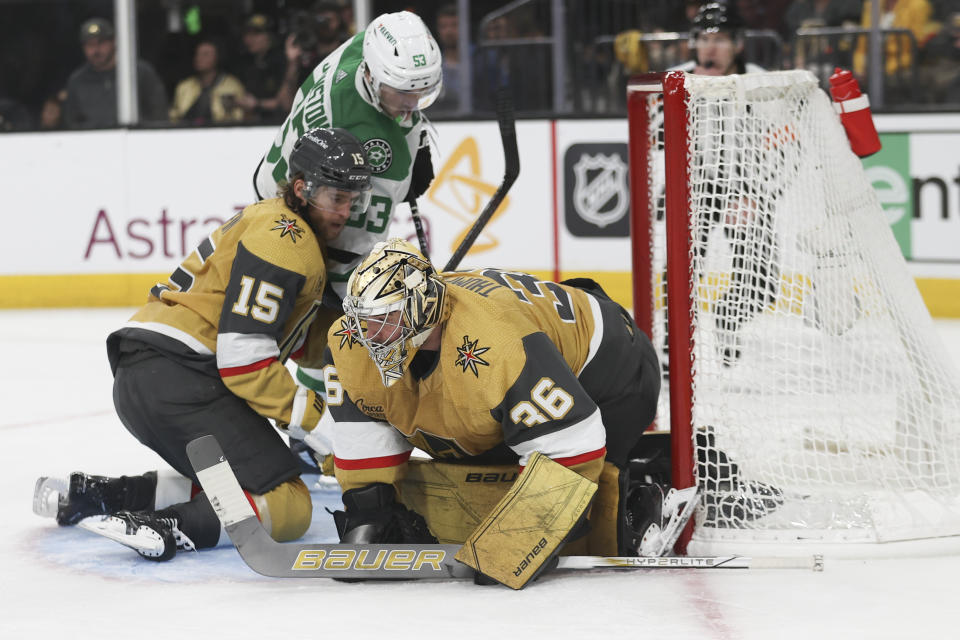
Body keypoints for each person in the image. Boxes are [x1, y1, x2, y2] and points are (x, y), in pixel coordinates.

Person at [32, 128, 372, 562]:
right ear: (302, 188)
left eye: (352, 199)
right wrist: (322, 426)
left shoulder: (270, 220)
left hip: (143, 374)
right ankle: (171, 525)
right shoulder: (287, 240)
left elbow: (283, 336)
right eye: (335, 198)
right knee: (289, 501)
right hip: (183, 379)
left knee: (238, 481)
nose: (345, 211)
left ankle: (98, 495)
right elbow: (244, 360)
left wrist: (356, 340)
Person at [300, 238, 689, 587]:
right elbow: (364, 423)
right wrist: (370, 512)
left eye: (384, 321)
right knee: (477, 489)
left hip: (616, 367)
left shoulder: (499, 344)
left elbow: (573, 446)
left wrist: (519, 541)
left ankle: (645, 505)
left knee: (592, 540)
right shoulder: (351, 340)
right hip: (532, 350)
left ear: (421, 308)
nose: (368, 335)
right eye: (363, 320)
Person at [252, 10, 441, 392]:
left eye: (420, 90)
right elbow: (351, 254)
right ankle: (317, 427)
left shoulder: (364, 46)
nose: (412, 102)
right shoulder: (373, 145)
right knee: (340, 326)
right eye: (402, 92)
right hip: (306, 214)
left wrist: (415, 136)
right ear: (372, 75)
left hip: (281, 181)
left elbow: (402, 100)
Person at [62, 18, 168, 128]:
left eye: (101, 42)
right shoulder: (77, 81)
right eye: (89, 45)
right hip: (92, 142)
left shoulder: (139, 72)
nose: (95, 50)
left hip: (136, 141)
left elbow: (159, 115)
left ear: (114, 42)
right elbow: (71, 123)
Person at [169, 38, 246, 125]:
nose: (199, 58)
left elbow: (239, 118)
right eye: (197, 54)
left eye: (205, 54)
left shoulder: (232, 86)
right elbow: (174, 117)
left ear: (217, 58)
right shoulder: (184, 86)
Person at [235, 14, 288, 124]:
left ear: (269, 36)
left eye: (256, 34)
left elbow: (285, 103)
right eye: (247, 34)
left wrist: (257, 104)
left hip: (277, 124)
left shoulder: (282, 61)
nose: (249, 39)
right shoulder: (247, 62)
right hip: (252, 124)